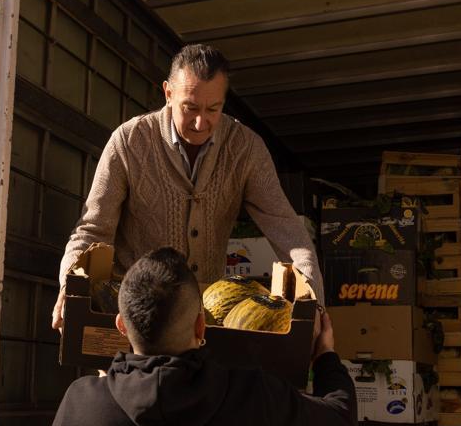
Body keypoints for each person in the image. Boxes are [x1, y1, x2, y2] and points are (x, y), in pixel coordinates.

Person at [52, 44, 322, 330]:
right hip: (132, 317)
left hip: (204, 319)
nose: (200, 122)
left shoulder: (246, 149)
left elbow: (289, 232)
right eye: (190, 107)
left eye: (213, 109)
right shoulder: (129, 142)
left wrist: (313, 302)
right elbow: (93, 230)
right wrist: (71, 286)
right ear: (168, 93)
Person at [48, 248, 356, 426]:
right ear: (201, 327)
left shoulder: (80, 410)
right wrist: (325, 355)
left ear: (121, 326)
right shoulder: (257, 399)